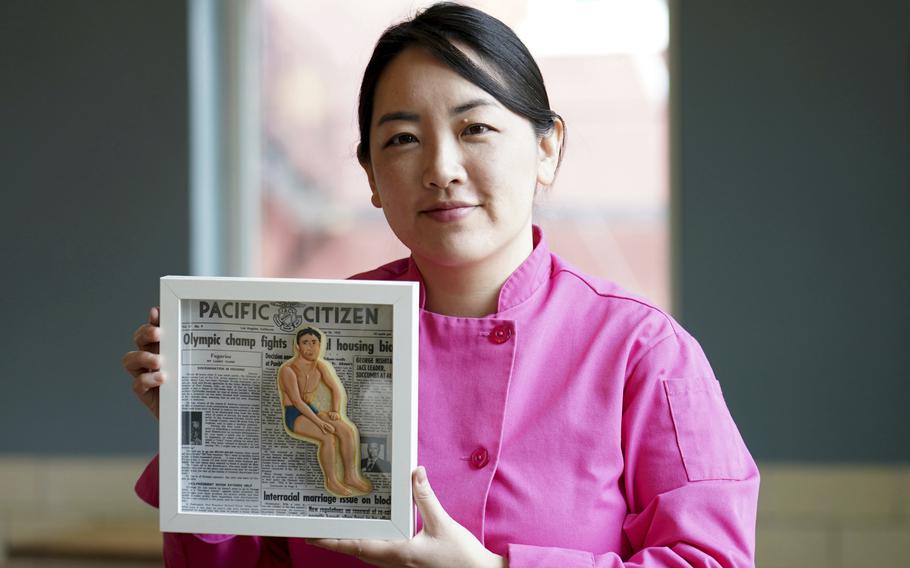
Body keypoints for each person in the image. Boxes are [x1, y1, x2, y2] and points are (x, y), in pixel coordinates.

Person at [122, 3, 759, 566]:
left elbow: (710, 561)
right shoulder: (303, 330)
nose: (441, 169)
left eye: (475, 128)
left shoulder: (643, 351)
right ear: (370, 176)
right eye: (402, 139)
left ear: (546, 149)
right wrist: (199, 440)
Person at [278, 327, 372, 497]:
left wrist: (335, 411)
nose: (310, 347)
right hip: (295, 414)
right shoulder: (288, 370)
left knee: (347, 430)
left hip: (312, 410)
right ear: (297, 347)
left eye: (314, 343)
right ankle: (332, 480)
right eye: (305, 343)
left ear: (320, 345)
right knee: (327, 437)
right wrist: (321, 423)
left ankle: (350, 476)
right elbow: (298, 402)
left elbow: (335, 389)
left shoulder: (320, 366)